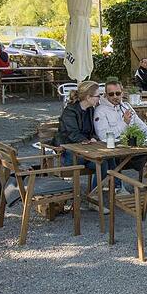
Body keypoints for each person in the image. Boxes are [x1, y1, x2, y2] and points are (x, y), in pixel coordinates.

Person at [52, 81, 116, 209]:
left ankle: (93, 197)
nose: (100, 98)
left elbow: (91, 131)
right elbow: (73, 134)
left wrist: (92, 138)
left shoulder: (90, 110)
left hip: (85, 152)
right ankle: (97, 197)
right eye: (98, 95)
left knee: (105, 161)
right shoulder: (70, 111)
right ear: (88, 97)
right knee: (100, 159)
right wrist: (88, 141)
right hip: (68, 154)